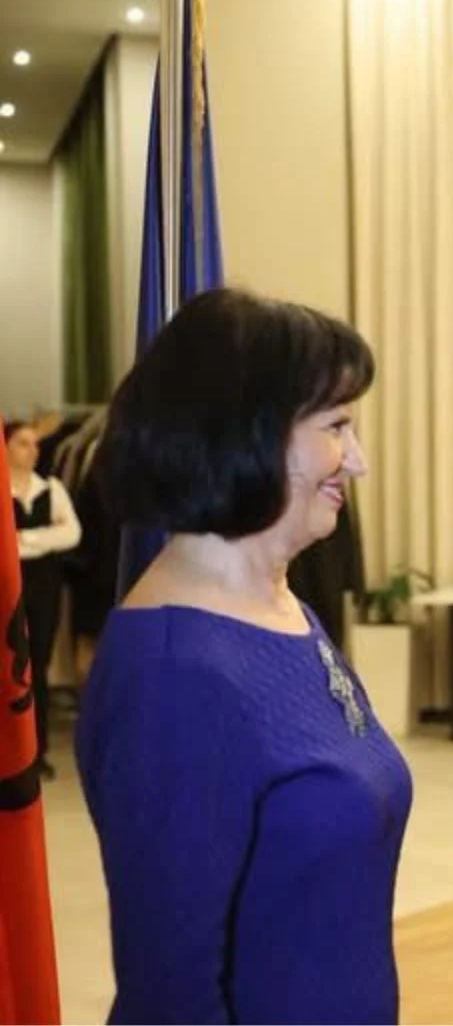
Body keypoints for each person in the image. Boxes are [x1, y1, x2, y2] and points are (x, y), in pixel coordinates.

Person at [76, 288, 413, 1024]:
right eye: (336, 427)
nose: (357, 461)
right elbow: (170, 993)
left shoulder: (284, 609)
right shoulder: (174, 674)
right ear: (246, 436)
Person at [6, 420, 81, 778]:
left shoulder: (51, 488)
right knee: (10, 668)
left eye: (36, 444)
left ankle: (37, 751)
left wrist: (24, 540)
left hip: (43, 589)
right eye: (23, 443)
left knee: (38, 665)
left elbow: (71, 533)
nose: (33, 450)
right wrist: (45, 535)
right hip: (8, 588)